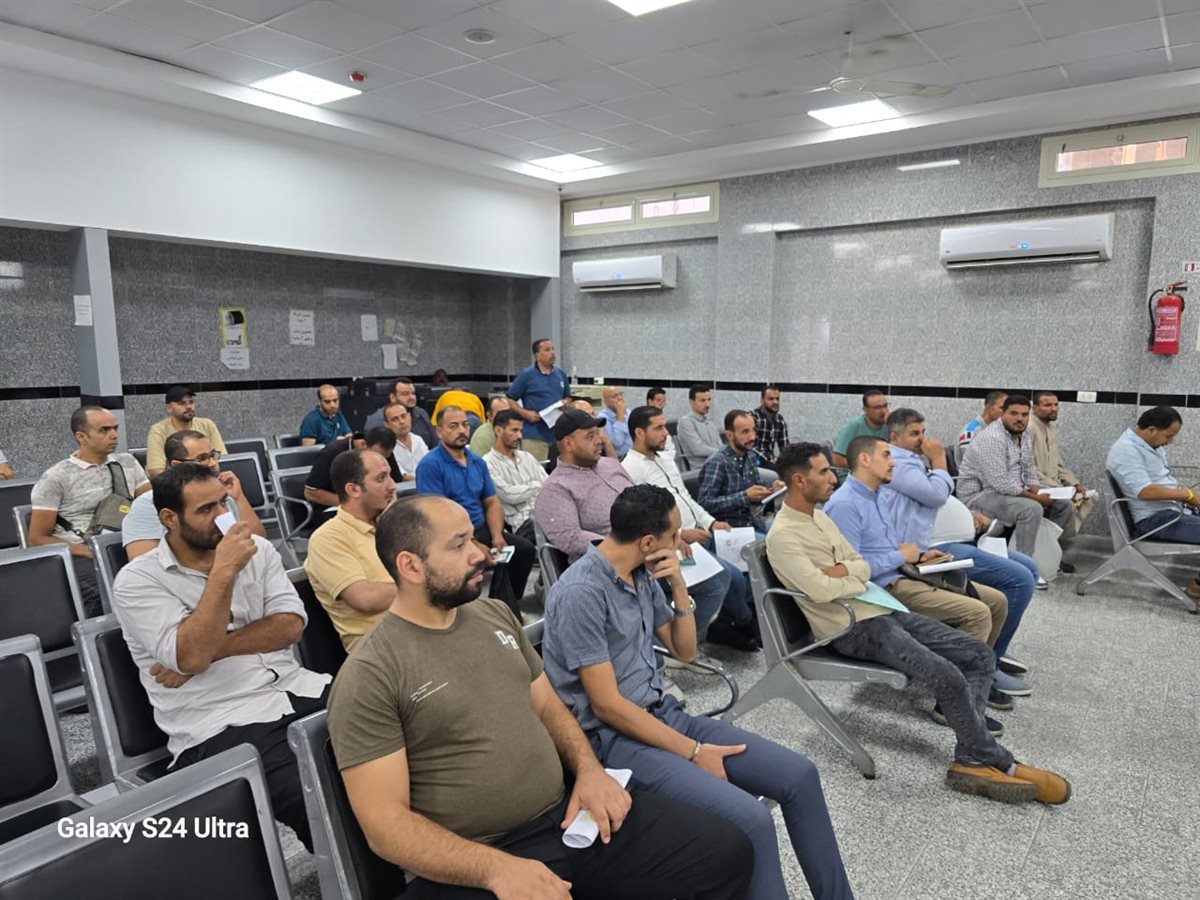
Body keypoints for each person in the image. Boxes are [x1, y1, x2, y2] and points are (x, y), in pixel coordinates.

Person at [326, 494, 754, 900]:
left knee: (726, 850)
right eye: (458, 546)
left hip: (568, 816)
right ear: (410, 566)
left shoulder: (492, 615)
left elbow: (550, 708)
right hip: (480, 852)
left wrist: (589, 771)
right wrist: (495, 868)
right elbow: (386, 827)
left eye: (473, 538)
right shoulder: (372, 674)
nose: (479, 554)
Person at [542, 483, 850, 900]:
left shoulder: (640, 573)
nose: (679, 541)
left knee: (800, 776)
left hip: (663, 713)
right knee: (752, 820)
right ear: (647, 541)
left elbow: (684, 650)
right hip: (614, 740)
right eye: (674, 534)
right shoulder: (582, 592)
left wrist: (679, 587)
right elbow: (608, 706)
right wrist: (693, 751)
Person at [767, 443, 1071, 805]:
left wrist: (844, 572)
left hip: (878, 607)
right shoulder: (783, 536)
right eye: (823, 472)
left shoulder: (819, 518)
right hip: (851, 628)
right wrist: (849, 574)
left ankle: (972, 756)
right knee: (947, 675)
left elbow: (857, 563)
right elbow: (820, 590)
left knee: (979, 656)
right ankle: (994, 760)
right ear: (799, 481)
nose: (833, 478)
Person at [112, 464, 330, 850]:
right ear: (170, 519)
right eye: (205, 509)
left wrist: (215, 650)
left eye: (222, 503)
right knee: (320, 797)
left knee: (400, 741)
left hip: (297, 687)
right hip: (220, 721)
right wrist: (224, 572)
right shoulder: (139, 580)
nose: (221, 516)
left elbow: (290, 626)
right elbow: (190, 654)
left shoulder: (258, 550)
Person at [879, 408, 1038, 696]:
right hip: (929, 547)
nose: (922, 439)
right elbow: (935, 495)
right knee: (1019, 579)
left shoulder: (911, 460)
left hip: (939, 540)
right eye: (914, 434)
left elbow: (934, 498)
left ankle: (992, 654)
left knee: (1029, 568)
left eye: (923, 432)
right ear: (894, 436)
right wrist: (939, 458)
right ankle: (989, 665)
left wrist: (965, 515)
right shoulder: (895, 464)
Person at [824, 436, 1009, 667]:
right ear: (865, 460)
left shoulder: (877, 494)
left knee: (997, 601)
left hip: (904, 572)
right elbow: (850, 572)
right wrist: (900, 557)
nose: (893, 462)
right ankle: (956, 682)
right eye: (886, 455)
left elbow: (880, 547)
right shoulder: (845, 505)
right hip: (883, 587)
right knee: (977, 613)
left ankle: (983, 671)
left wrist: (920, 558)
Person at [622, 406, 759, 651]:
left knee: (753, 555)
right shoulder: (631, 469)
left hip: (700, 531)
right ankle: (692, 639)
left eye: (664, 427)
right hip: (675, 543)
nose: (666, 433)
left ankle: (728, 621)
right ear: (639, 433)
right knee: (729, 576)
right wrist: (680, 534)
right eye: (659, 428)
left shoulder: (664, 459)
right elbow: (643, 521)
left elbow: (686, 499)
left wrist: (711, 522)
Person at [30, 406, 150, 616]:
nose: (114, 435)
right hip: (82, 552)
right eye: (104, 430)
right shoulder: (56, 477)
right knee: (105, 594)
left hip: (127, 541)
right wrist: (89, 551)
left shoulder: (127, 463)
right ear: (81, 437)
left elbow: (150, 504)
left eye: (115, 428)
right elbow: (37, 538)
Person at [416, 406, 534, 617]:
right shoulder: (430, 465)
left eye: (465, 425)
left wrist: (497, 536)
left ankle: (506, 607)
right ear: (439, 431)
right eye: (453, 426)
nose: (461, 430)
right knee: (472, 562)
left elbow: (492, 502)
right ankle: (469, 615)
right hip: (450, 536)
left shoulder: (477, 462)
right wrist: (472, 544)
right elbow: (436, 514)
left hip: (481, 528)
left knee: (523, 551)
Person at [957, 395, 1075, 559]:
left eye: (1024, 414)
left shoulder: (1022, 435)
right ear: (1003, 414)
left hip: (1007, 492)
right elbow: (1001, 483)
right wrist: (1037, 498)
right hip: (980, 496)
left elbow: (1029, 469)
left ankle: (1043, 553)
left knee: (1063, 505)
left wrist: (1037, 490)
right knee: (1031, 508)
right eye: (1014, 413)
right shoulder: (992, 438)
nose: (1020, 419)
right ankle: (1023, 562)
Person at [304, 449, 397, 651]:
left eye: (390, 476)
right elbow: (365, 598)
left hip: (424, 630)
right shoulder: (328, 538)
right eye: (381, 478)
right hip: (382, 649)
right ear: (353, 490)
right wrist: (427, 586)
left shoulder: (393, 525)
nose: (392, 485)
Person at [123, 429, 266, 560]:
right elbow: (144, 565)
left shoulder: (222, 495)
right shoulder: (147, 504)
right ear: (177, 465)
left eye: (213, 455)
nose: (212, 463)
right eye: (202, 458)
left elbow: (257, 545)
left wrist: (239, 498)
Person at [1106, 406, 1200, 599]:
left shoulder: (1149, 446)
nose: (1170, 441)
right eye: (1169, 436)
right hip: (1155, 520)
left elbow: (1160, 482)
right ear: (1151, 430)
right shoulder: (1127, 451)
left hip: (1170, 510)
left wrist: (1184, 499)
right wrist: (1187, 495)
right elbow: (1145, 491)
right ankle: (1197, 587)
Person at [534, 408, 638, 565]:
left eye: (597, 434)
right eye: (590, 436)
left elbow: (641, 498)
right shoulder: (556, 488)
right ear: (568, 444)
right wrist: (626, 548)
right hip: (609, 565)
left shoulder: (611, 464)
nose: (598, 441)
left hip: (649, 545)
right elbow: (571, 538)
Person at [697, 410, 783, 531]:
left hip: (752, 522)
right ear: (729, 435)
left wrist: (771, 490)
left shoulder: (750, 456)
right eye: (745, 432)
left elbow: (755, 497)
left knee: (788, 531)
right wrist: (745, 496)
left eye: (753, 430)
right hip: (730, 529)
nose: (752, 437)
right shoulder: (717, 462)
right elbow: (705, 504)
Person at [1027, 391, 1094, 547]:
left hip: (1052, 482)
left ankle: (1052, 541)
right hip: (1037, 483)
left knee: (1085, 497)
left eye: (1056, 405)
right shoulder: (1029, 428)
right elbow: (1028, 468)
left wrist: (1074, 483)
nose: (1053, 408)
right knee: (1067, 504)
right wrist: (1059, 489)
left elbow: (1058, 463)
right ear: (1034, 407)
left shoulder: (1049, 428)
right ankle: (1046, 546)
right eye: (1047, 405)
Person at [505, 338, 573, 462]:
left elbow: (568, 397)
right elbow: (510, 399)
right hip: (534, 434)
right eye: (547, 350)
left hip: (558, 434)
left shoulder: (560, 374)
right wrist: (525, 413)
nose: (552, 353)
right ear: (537, 356)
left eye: (553, 349)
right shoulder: (527, 375)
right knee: (536, 469)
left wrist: (566, 402)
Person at [483, 410, 546, 542]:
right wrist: (536, 485)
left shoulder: (527, 457)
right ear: (498, 431)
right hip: (522, 524)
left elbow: (549, 486)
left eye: (520, 431)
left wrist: (531, 489)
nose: (519, 436)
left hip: (545, 512)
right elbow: (509, 495)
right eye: (514, 430)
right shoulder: (487, 463)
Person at [304, 427, 399, 510]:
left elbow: (397, 482)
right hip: (333, 507)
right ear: (363, 444)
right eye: (377, 456)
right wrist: (352, 504)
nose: (379, 460)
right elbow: (311, 493)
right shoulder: (332, 452)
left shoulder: (383, 452)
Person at [145, 386, 226, 477]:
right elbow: (156, 471)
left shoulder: (207, 424)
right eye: (182, 403)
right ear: (169, 408)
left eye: (191, 402)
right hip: (175, 482)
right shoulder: (158, 430)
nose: (188, 407)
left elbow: (223, 459)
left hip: (208, 479)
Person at [365, 378, 437, 447]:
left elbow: (435, 444)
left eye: (413, 393)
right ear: (393, 397)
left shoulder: (422, 413)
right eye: (405, 394)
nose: (412, 397)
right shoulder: (377, 421)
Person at [831, 390, 889, 468]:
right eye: (877, 408)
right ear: (865, 410)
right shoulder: (854, 425)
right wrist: (864, 467)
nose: (884, 411)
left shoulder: (890, 425)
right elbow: (837, 459)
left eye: (885, 406)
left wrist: (893, 422)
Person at [675, 384, 723, 470]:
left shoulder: (710, 423)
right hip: (701, 469)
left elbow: (719, 445)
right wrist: (724, 453)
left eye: (709, 400)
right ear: (691, 402)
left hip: (718, 465)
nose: (707, 404)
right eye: (702, 400)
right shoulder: (686, 422)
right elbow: (698, 449)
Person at [384, 402, 426, 480]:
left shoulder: (418, 439)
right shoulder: (388, 447)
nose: (402, 422)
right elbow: (402, 476)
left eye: (404, 416)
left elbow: (430, 465)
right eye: (395, 419)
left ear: (410, 417)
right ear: (387, 425)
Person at [750, 386, 789, 463]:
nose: (775, 402)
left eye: (777, 399)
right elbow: (750, 447)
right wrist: (770, 458)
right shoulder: (753, 418)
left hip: (770, 462)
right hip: (753, 462)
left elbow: (785, 448)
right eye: (771, 399)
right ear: (762, 401)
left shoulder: (780, 420)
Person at [598, 386, 632, 460]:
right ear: (605, 401)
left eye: (620, 394)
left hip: (632, 456)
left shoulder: (627, 412)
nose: (620, 398)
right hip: (618, 459)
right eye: (615, 396)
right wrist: (620, 416)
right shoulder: (603, 418)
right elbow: (617, 443)